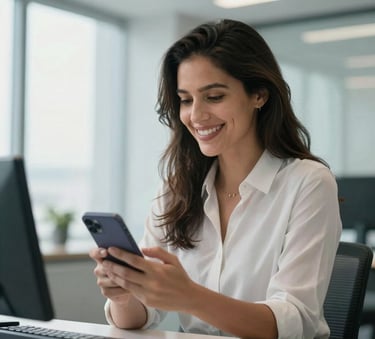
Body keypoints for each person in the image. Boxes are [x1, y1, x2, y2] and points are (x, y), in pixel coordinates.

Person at [89, 19, 342, 338]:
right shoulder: (175, 189)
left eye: (214, 96)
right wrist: (125, 294)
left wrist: (189, 296)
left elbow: (295, 321)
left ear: (259, 95)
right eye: (186, 99)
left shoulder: (309, 183)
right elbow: (139, 316)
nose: (196, 116)